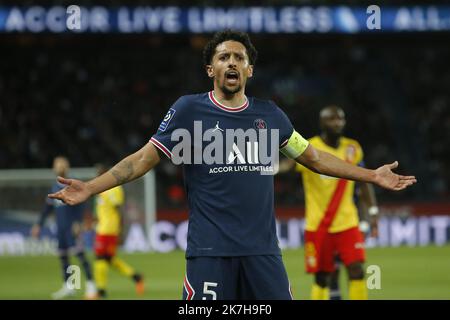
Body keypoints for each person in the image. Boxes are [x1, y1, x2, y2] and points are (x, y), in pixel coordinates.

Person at [48, 30, 416, 300]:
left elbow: (314, 158)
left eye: (239, 58)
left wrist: (371, 175)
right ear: (211, 69)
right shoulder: (188, 110)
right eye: (224, 57)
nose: (232, 63)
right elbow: (143, 159)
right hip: (210, 253)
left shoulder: (270, 115)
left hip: (262, 252)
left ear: (250, 70)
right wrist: (91, 187)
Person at [285, 106, 379, 300]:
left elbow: (363, 184)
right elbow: (287, 166)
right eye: (332, 119)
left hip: (347, 221)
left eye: (340, 119)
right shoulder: (308, 145)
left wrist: (373, 212)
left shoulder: (353, 148)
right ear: (321, 123)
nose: (337, 123)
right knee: (322, 277)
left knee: (357, 270)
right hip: (318, 223)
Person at [31, 156, 97, 300]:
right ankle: (69, 286)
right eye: (56, 165)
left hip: (72, 227)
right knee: (63, 257)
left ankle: (92, 285)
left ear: (66, 167)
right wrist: (38, 225)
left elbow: (82, 204)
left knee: (80, 256)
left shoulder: (73, 183)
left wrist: (79, 223)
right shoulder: (54, 186)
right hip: (60, 228)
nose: (58, 167)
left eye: (60, 165)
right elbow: (47, 208)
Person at [92, 164, 144, 299]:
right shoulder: (102, 190)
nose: (97, 175)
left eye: (100, 173)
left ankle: (101, 291)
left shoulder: (113, 188)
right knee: (109, 259)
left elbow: (118, 208)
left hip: (108, 229)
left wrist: (121, 228)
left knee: (99, 258)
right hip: (104, 228)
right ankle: (136, 276)